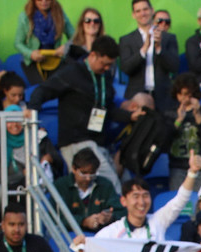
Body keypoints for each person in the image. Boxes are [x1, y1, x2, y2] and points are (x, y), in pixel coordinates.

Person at [27, 35, 134, 190]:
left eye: (110, 65)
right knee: (111, 187)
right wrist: (32, 108)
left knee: (120, 184)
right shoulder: (72, 72)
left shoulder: (105, 77)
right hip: (76, 141)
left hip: (98, 142)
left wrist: (130, 116)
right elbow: (44, 90)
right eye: (104, 64)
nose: (106, 68)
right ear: (92, 55)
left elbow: (108, 109)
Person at [78, 150, 201, 243]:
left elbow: (181, 199)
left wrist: (192, 172)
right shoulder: (111, 233)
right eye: (135, 196)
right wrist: (82, 246)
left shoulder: (158, 221)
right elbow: (92, 251)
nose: (141, 202)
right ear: (123, 201)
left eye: (145, 196)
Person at [119, 0, 179, 112]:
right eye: (138, 11)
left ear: (152, 11)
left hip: (163, 96)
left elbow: (174, 67)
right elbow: (126, 68)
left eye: (145, 9)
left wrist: (159, 48)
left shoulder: (168, 38)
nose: (143, 13)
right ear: (134, 15)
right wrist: (143, 49)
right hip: (137, 97)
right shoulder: (126, 40)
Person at [53, 147, 125, 234]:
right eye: (84, 173)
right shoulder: (60, 185)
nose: (88, 178)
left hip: (101, 234)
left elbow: (121, 211)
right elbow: (56, 217)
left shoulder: (105, 184)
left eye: (92, 174)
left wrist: (110, 217)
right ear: (74, 169)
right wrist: (83, 221)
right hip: (70, 235)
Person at [163, 73, 201, 191]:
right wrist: (179, 119)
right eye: (182, 94)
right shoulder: (170, 113)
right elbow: (166, 136)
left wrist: (197, 114)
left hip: (199, 165)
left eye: (189, 95)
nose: (185, 98)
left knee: (198, 202)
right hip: (177, 165)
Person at [14, 0, 73, 85]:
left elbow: (76, 37)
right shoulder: (25, 16)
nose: (44, 2)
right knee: (42, 89)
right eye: (39, 0)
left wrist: (66, 46)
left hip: (54, 59)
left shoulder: (60, 14)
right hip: (32, 62)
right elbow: (18, 43)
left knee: (59, 87)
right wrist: (31, 53)